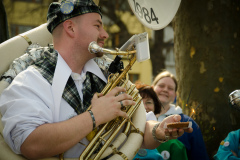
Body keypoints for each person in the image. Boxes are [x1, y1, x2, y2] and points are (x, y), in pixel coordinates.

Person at [0, 1, 192, 159]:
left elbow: (137, 126)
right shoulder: (31, 80)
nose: (105, 34)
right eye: (97, 25)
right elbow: (30, 143)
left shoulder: (106, 74)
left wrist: (159, 130)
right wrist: (94, 117)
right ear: (70, 28)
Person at [152, 70, 209, 160]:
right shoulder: (139, 118)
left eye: (170, 88)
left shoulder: (188, 123)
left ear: (175, 95)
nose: (165, 89)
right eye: (161, 86)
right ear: (152, 89)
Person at [136, 84, 188, 160]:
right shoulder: (121, 138)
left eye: (149, 102)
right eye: (139, 102)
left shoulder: (174, 145)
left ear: (155, 106)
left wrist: (157, 130)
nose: (144, 107)